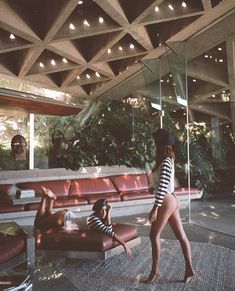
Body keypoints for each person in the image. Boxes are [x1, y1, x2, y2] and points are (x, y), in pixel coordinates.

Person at [143, 128, 194, 284]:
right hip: (170, 199)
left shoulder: (165, 161)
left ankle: (155, 271)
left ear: (160, 144)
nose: (152, 144)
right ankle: (189, 269)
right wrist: (150, 181)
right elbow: (159, 185)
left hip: (165, 201)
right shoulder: (165, 160)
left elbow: (164, 186)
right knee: (181, 236)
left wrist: (154, 209)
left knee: (153, 235)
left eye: (154, 142)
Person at [34, 188, 132, 257]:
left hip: (67, 216)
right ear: (97, 210)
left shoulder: (97, 218)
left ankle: (50, 199)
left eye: (105, 210)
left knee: (45, 222)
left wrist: (109, 214)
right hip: (64, 218)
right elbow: (110, 232)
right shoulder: (94, 220)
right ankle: (45, 198)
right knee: (39, 225)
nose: (104, 212)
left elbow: (109, 229)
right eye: (102, 210)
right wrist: (124, 244)